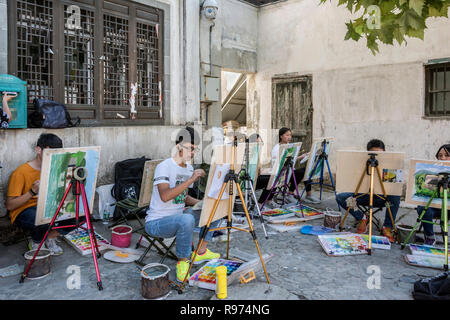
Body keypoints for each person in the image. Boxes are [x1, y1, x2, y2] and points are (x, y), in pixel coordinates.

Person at [144, 127, 221, 282]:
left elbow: (183, 198)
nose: (192, 153)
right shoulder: (164, 166)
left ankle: (201, 251)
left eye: (195, 150)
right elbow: (165, 196)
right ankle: (183, 261)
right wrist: (191, 180)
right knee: (186, 219)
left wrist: (203, 203)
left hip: (178, 218)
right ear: (179, 146)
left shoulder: (189, 168)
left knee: (214, 207)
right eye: (190, 148)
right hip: (157, 222)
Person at [6, 133, 83, 255]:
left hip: (47, 206)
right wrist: (32, 192)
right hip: (25, 209)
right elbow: (10, 205)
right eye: (49, 153)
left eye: (56, 154)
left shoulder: (55, 168)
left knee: (81, 214)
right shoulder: (21, 172)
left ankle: (50, 237)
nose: (53, 157)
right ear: (38, 150)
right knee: (43, 219)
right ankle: (37, 241)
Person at [335, 139, 400, 242]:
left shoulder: (390, 164)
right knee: (341, 197)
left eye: (380, 153)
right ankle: (362, 217)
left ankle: (387, 227)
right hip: (362, 195)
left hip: (383, 198)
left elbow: (394, 185)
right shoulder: (360, 164)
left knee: (395, 196)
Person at [256, 127, 321, 207]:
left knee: (304, 171)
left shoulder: (289, 146)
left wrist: (303, 156)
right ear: (281, 136)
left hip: (288, 171)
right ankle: (267, 201)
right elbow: (280, 163)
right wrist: (299, 157)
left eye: (290, 135)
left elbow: (290, 159)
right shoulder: (277, 148)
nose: (289, 137)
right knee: (274, 179)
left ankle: (295, 194)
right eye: (287, 135)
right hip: (280, 172)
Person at [416, 144, 450, 246]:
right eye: (440, 155)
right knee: (422, 208)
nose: (443, 158)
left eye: (447, 155)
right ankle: (430, 236)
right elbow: (426, 192)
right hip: (435, 207)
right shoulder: (433, 172)